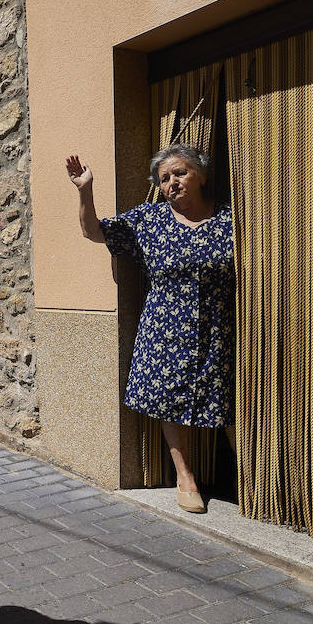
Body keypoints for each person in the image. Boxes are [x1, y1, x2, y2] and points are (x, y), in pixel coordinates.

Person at [66, 145, 236, 513]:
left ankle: (253, 477)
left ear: (202, 176)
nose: (172, 183)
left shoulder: (232, 219)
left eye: (180, 173)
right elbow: (95, 232)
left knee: (226, 399)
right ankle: (184, 476)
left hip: (218, 329)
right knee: (168, 399)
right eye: (164, 179)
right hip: (164, 329)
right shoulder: (149, 219)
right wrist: (85, 190)